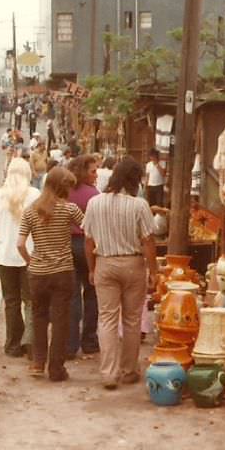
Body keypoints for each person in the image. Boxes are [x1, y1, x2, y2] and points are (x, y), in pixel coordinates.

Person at [83, 157, 158, 389]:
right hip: (133, 265)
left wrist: (92, 268)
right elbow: (148, 241)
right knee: (132, 320)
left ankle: (108, 373)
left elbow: (88, 240)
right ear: (135, 180)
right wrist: (153, 271)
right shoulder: (139, 205)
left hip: (105, 263)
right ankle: (128, 370)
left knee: (106, 318)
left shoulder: (95, 203)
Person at [17, 167, 83, 382]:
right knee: (61, 320)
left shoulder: (30, 210)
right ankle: (56, 368)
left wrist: (31, 262)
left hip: (38, 273)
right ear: (62, 187)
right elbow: (89, 228)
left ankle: (38, 362)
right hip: (63, 271)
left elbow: (20, 244)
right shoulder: (69, 209)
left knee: (39, 317)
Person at [0, 158, 41, 358]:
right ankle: (31, 342)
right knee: (30, 300)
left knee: (11, 300)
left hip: (5, 255)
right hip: (29, 254)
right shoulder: (35, 195)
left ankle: (12, 344)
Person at [66, 155, 100, 358]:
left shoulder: (65, 192)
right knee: (91, 293)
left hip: (66, 245)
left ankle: (70, 344)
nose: (96, 175)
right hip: (87, 244)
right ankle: (89, 340)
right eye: (93, 171)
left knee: (72, 296)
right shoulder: (93, 195)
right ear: (82, 171)